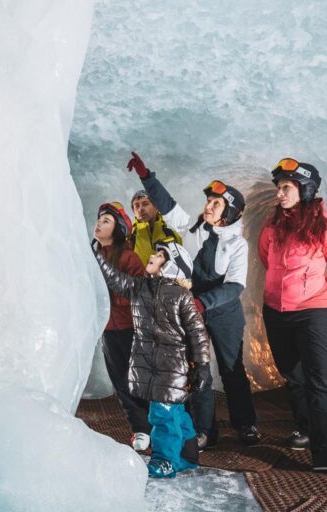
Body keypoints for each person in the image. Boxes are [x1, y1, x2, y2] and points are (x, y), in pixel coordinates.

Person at [127, 152, 262, 448]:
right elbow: (166, 204)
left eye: (216, 203)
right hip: (194, 310)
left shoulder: (237, 244)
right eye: (209, 201)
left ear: (230, 212)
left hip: (224, 312)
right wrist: (146, 176)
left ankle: (246, 424)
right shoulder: (192, 230)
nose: (209, 206)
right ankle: (204, 431)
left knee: (230, 368)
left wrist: (204, 302)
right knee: (197, 369)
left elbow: (235, 285)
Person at [259, 157, 327, 471]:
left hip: (312, 313)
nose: (279, 193)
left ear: (305, 189)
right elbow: (266, 257)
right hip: (276, 312)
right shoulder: (272, 226)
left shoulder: (326, 228)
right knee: (292, 373)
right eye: (278, 187)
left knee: (321, 378)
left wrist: (319, 292)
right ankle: (307, 429)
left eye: (286, 188)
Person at [91, 239, 212, 478]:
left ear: (170, 266)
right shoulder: (140, 287)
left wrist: (203, 365)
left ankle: (163, 460)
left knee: (162, 414)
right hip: (149, 363)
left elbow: (197, 333)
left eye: (159, 255)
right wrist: (96, 257)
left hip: (172, 365)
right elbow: (115, 279)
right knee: (174, 411)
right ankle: (188, 455)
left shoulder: (181, 295)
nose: (152, 256)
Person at [93, 201, 151, 451]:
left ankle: (153, 425)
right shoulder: (91, 255)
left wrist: (110, 297)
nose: (98, 223)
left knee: (137, 380)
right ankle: (139, 428)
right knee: (119, 381)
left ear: (118, 229)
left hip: (129, 328)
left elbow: (137, 291)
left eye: (106, 220)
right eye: (98, 219)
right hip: (108, 330)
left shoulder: (129, 257)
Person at [129, 189, 183, 264]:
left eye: (145, 204)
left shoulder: (172, 235)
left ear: (156, 207)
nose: (140, 209)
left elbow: (182, 266)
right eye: (136, 206)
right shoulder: (129, 238)